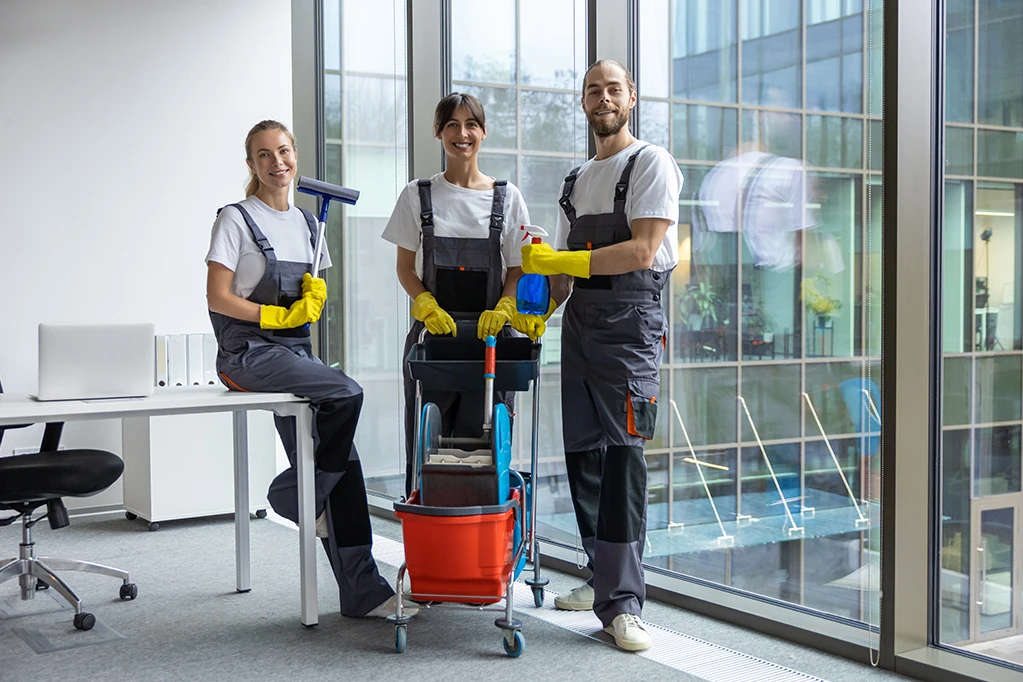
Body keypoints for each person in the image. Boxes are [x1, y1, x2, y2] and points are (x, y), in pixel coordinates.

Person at [205, 119, 414, 619]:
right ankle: (293, 494)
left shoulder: (307, 223)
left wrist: (313, 300)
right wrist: (274, 314)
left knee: (346, 465)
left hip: (295, 354)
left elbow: (307, 300)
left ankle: (363, 590)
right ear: (251, 164)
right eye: (263, 155)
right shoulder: (235, 219)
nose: (277, 163)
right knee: (347, 394)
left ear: (295, 155)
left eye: (283, 151)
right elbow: (217, 296)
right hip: (247, 355)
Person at [520, 60, 683, 652]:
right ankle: (601, 578)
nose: (604, 98)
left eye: (614, 88)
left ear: (631, 97)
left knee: (622, 461)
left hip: (631, 327)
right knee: (584, 455)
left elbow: (643, 250)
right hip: (583, 328)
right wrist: (528, 314)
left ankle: (625, 605)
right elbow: (563, 280)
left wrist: (565, 263)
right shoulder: (576, 180)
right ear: (583, 101)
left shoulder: (651, 162)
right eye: (594, 90)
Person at [382, 93, 538, 497]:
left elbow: (518, 268)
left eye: (471, 124)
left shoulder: (508, 198)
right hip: (433, 344)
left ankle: (478, 544)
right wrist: (425, 303)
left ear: (483, 132)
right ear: (438, 132)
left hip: (490, 344)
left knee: (484, 448)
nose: (461, 133)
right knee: (428, 443)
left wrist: (506, 306)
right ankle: (427, 534)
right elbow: (404, 268)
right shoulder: (418, 196)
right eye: (451, 124)